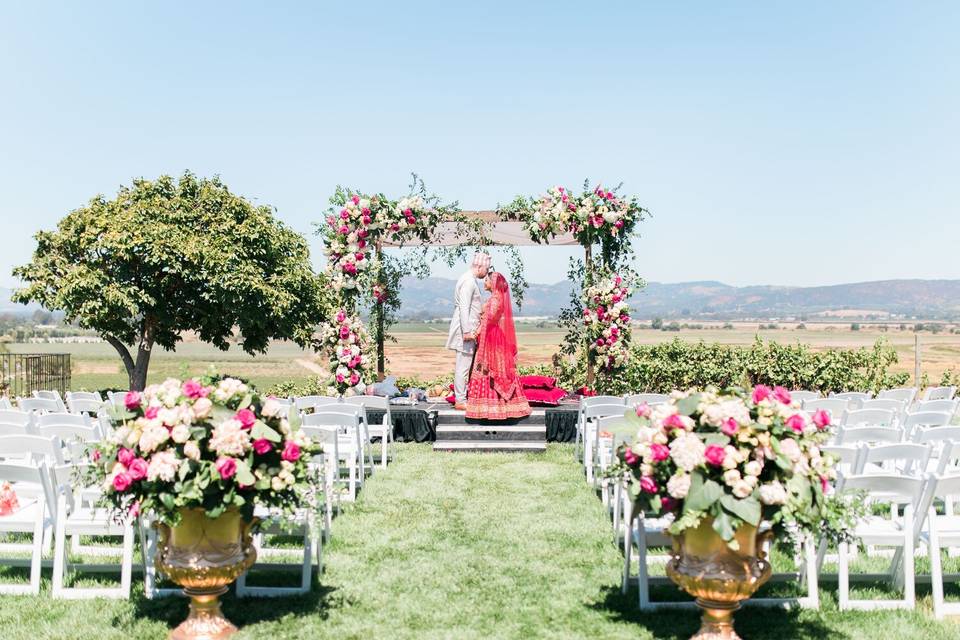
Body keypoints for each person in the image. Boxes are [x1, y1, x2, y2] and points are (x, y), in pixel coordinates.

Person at [465, 271, 531, 420]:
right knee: (488, 370)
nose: (485, 282)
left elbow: (489, 319)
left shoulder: (495, 298)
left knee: (491, 370)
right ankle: (486, 405)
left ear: (493, 283)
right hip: (490, 336)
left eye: (487, 280)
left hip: (491, 338)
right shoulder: (495, 297)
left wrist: (475, 332)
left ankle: (494, 407)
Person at [446, 252, 489, 410]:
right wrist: (467, 332)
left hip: (468, 328)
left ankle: (462, 397)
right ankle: (460, 399)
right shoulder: (469, 282)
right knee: (463, 365)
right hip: (466, 329)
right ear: (479, 266)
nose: (486, 273)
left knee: (464, 365)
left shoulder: (468, 280)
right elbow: (464, 308)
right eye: (486, 269)